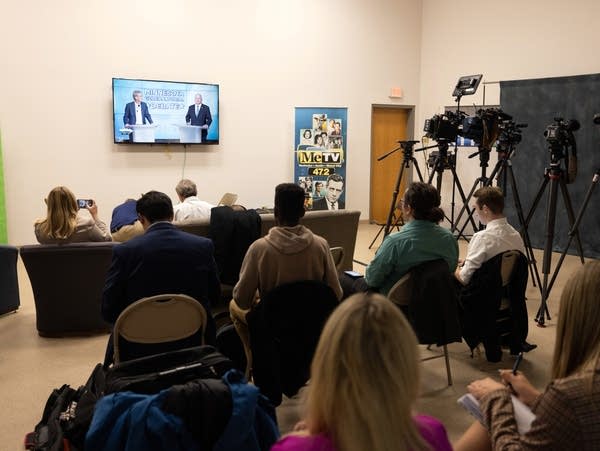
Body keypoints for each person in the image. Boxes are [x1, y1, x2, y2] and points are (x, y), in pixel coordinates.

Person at [271, 292, 453, 451]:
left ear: (324, 364)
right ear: (408, 365)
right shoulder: (432, 436)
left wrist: (301, 440)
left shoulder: (292, 448)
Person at [454, 261, 600, 451]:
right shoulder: (576, 396)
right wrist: (539, 400)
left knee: (483, 424)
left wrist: (497, 400)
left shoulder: (572, 393)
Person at [102, 191, 220, 363]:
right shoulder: (203, 246)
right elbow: (214, 296)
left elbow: (108, 309)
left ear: (141, 219)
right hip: (192, 341)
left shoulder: (124, 251)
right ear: (172, 216)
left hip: (138, 346)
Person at [229, 183, 343, 355]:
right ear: (303, 212)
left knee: (232, 306)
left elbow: (241, 300)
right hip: (310, 324)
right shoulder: (321, 245)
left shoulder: (258, 249)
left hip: (273, 326)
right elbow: (336, 293)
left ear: (275, 212)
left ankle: (252, 358)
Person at [361, 182, 458, 295]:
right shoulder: (449, 239)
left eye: (402, 202)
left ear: (408, 209)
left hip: (392, 305)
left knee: (346, 281)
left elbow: (372, 279)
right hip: (432, 301)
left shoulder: (394, 242)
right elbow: (450, 270)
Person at [456, 186, 525, 285]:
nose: (475, 214)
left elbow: (464, 278)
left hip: (481, 294)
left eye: (475, 208)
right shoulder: (516, 236)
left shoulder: (481, 238)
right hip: (507, 292)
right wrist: (466, 264)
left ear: (485, 209)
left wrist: (453, 267)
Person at [34, 186, 111, 244]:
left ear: (49, 205)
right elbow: (107, 240)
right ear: (73, 203)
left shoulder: (39, 229)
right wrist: (95, 215)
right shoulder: (86, 224)